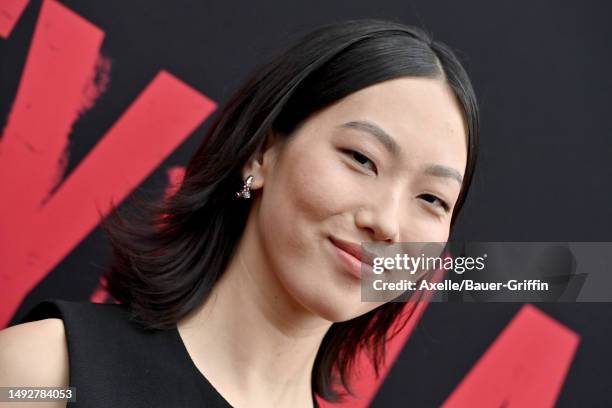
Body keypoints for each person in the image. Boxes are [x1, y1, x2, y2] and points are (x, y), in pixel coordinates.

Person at [0, 18, 479, 408]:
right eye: (361, 159)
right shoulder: (52, 373)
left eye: (432, 199)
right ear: (262, 153)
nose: (388, 222)